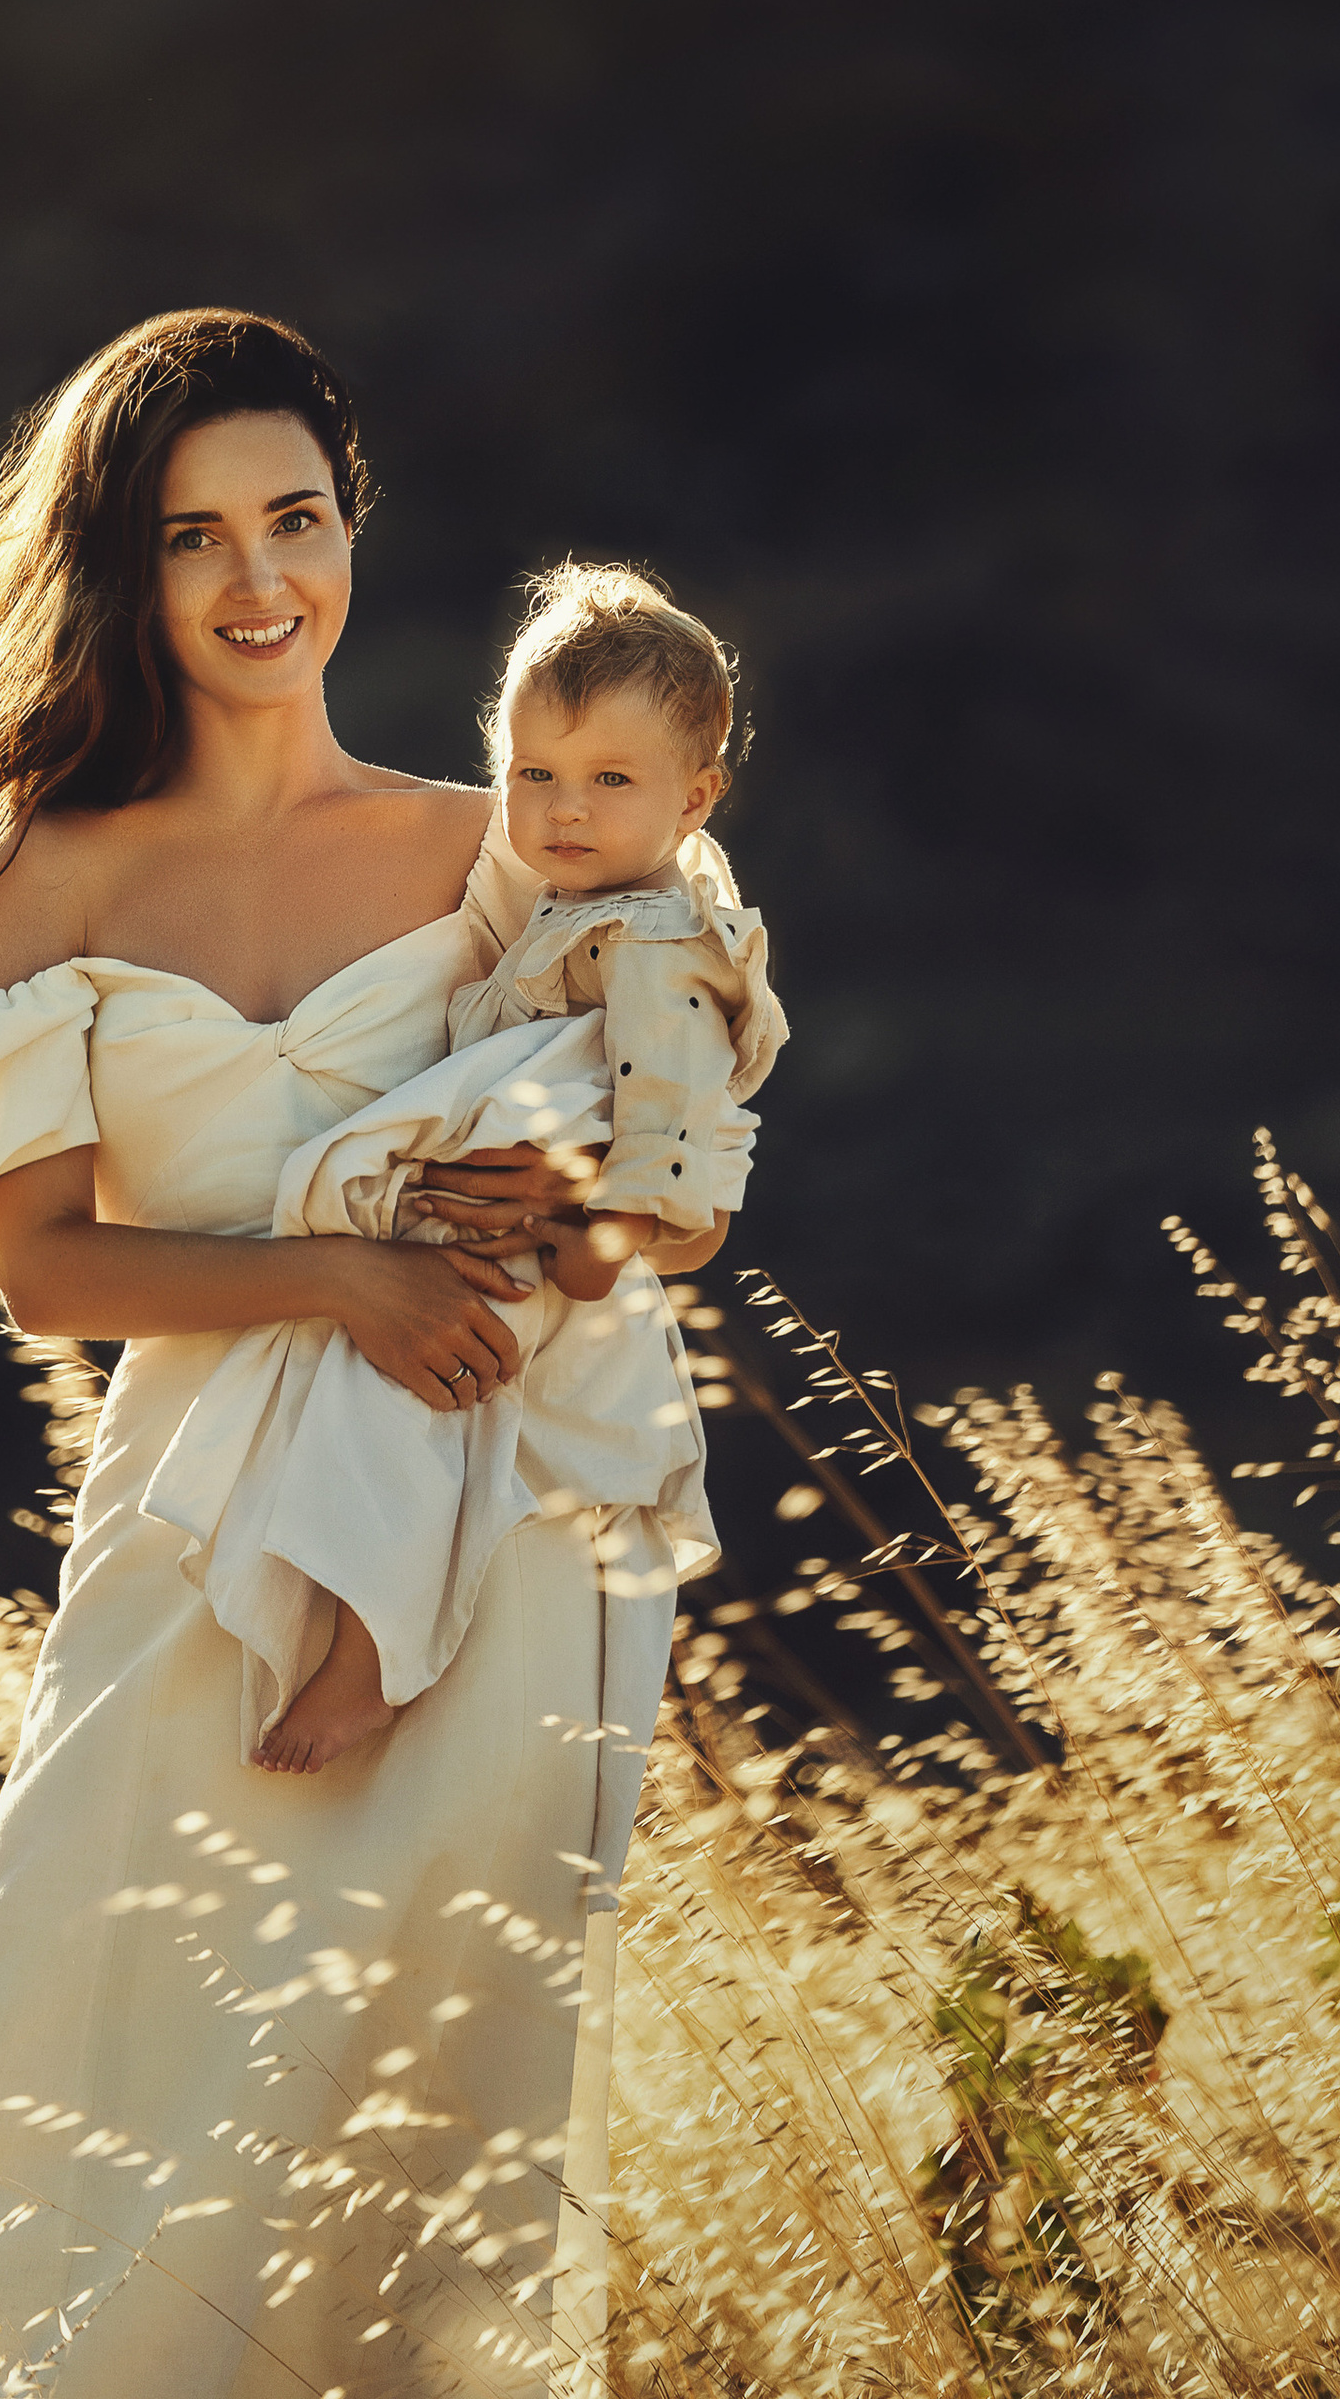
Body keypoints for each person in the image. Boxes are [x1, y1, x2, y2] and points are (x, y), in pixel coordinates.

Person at [0, 310, 735, 2398]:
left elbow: (639, 1138)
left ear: (349, 531)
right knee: (72, 2049)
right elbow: (49, 1274)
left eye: (294, 519)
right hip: (197, 1546)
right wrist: (336, 1278)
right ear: (122, 569)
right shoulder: (42, 882)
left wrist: (550, 1227)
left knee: (414, 2124)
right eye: (197, 538)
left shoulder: (497, 840)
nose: (258, 581)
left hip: (489, 1538)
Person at [148, 563, 787, 1785]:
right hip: (493, 1225)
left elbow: (672, 1105)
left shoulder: (656, 938)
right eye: (533, 775)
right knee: (379, 1405)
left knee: (403, 1411)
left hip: (555, 1239)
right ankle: (345, 1624)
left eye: (610, 781)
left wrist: (608, 1228)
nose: (563, 809)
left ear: (694, 799)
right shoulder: (555, 907)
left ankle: (364, 1662)